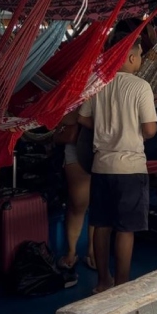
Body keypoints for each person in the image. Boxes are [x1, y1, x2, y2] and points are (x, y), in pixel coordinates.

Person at [77, 39, 157, 294]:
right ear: (132, 58)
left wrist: (104, 129)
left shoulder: (99, 84)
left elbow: (82, 118)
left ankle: (102, 282)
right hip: (130, 170)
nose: (141, 58)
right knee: (125, 229)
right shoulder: (141, 87)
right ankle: (121, 287)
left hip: (101, 167)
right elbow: (150, 129)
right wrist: (134, 132)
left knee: (102, 225)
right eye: (141, 54)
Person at [55, 110, 95, 272]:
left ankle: (92, 250)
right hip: (77, 147)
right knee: (78, 203)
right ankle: (72, 251)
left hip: (104, 147)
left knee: (98, 204)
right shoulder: (74, 91)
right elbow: (62, 118)